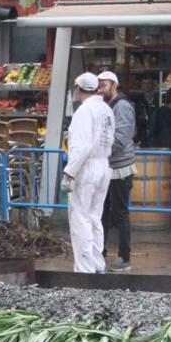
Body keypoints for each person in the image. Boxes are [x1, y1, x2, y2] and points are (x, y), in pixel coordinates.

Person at [62, 72, 114, 274]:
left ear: (79, 89)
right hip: (103, 164)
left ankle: (85, 269)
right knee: (94, 217)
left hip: (87, 167)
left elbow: (80, 147)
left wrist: (70, 172)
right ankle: (97, 263)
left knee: (80, 218)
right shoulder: (106, 109)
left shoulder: (84, 111)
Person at [97, 71, 136, 272]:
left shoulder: (122, 106)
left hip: (121, 168)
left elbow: (121, 138)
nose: (100, 89)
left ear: (114, 85)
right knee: (102, 213)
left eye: (103, 85)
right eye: (99, 85)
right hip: (107, 166)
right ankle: (100, 252)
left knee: (121, 214)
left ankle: (124, 257)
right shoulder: (105, 106)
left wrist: (98, 149)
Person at [130, 75, 158, 141]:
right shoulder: (136, 100)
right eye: (144, 83)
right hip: (141, 133)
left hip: (156, 132)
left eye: (148, 83)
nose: (146, 86)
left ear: (153, 85)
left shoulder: (158, 99)